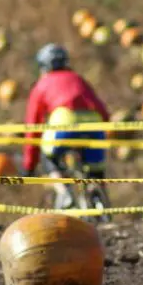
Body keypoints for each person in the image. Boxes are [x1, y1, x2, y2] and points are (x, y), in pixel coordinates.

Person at [22, 43, 110, 209]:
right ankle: (97, 194)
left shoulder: (42, 84)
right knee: (94, 171)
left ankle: (64, 191)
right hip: (93, 123)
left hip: (63, 122)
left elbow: (33, 127)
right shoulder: (78, 79)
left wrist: (29, 165)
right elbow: (102, 111)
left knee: (48, 156)